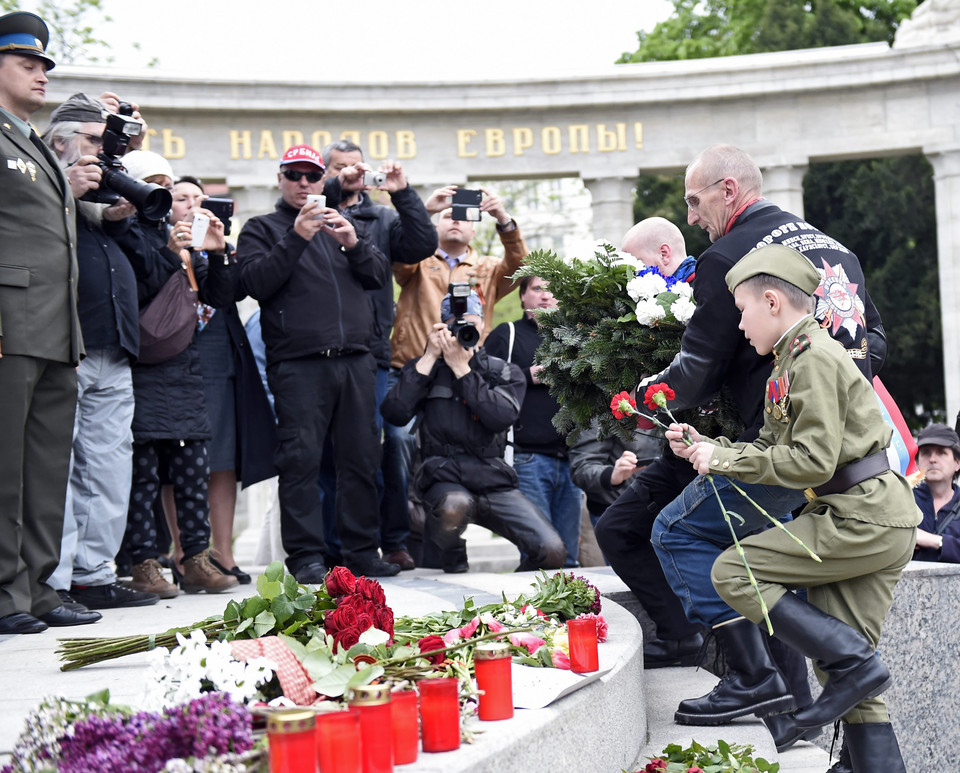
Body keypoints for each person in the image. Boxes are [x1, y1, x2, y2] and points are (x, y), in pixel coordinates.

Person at [647, 145, 887, 732]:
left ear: (729, 191)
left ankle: (754, 680)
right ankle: (791, 712)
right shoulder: (835, 249)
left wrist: (648, 393)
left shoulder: (729, 255)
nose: (691, 216)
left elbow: (698, 367)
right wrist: (835, 392)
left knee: (676, 532)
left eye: (694, 200)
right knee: (774, 581)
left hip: (790, 458)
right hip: (853, 468)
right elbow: (875, 339)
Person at [666, 243, 918, 772]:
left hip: (862, 516)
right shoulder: (793, 358)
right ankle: (853, 682)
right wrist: (712, 451)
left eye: (742, 310)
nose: (738, 326)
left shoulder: (814, 359)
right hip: (862, 513)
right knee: (856, 688)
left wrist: (725, 459)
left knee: (734, 569)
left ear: (774, 301)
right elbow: (772, 447)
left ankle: (850, 661)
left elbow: (808, 460)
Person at [236, 144, 398, 581]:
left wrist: (353, 242)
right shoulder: (261, 228)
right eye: (295, 175)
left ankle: (362, 551)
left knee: (362, 460)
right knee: (300, 462)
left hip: (357, 361)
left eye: (311, 175)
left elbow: (379, 276)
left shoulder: (340, 225)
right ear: (281, 179)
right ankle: (306, 555)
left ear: (321, 179)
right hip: (299, 364)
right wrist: (298, 235)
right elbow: (254, 282)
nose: (304, 183)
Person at [0, 12, 100, 634]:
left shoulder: (33, 142)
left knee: (44, 466)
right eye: (26, 64)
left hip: (56, 327)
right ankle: (4, 591)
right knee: (5, 465)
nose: (41, 75)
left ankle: (37, 585)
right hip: (10, 322)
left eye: (44, 65)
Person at [42, 92, 159, 610]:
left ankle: (94, 574)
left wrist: (118, 219)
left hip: (114, 347)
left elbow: (153, 274)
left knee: (110, 465)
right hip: (66, 342)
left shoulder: (104, 200)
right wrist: (64, 194)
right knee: (61, 466)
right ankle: (55, 581)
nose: (102, 154)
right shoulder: (43, 183)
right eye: (91, 140)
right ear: (59, 144)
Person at [114, 150, 239, 598]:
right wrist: (171, 255)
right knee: (144, 472)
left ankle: (197, 561)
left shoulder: (181, 237)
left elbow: (221, 297)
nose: (162, 193)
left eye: (167, 184)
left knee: (191, 468)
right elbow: (139, 290)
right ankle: (144, 562)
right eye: (154, 183)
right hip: (144, 366)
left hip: (185, 368)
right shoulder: (124, 232)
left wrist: (220, 254)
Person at [380, 288, 565, 574]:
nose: (463, 330)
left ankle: (517, 598)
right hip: (442, 477)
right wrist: (430, 357)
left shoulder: (504, 371)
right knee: (454, 504)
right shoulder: (424, 369)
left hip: (493, 480)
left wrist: (462, 370)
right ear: (442, 328)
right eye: (455, 323)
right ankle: (451, 554)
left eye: (470, 322)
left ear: (482, 325)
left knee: (552, 551)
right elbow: (394, 412)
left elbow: (500, 417)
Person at [316, 140, 437, 570]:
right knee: (325, 456)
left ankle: (381, 542)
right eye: (338, 168)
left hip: (369, 352)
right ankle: (330, 549)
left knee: (372, 451)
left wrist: (403, 193)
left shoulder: (382, 217)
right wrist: (332, 192)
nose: (350, 174)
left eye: (356, 167)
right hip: (319, 349)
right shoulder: (310, 215)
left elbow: (423, 243)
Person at [591, 217, 703, 667]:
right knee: (617, 529)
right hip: (675, 451)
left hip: (715, 452)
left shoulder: (706, 292)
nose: (633, 279)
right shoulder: (647, 305)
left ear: (662, 256)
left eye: (637, 265)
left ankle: (695, 639)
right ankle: (678, 633)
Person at [161, 176, 276, 585]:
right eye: (181, 198)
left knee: (222, 459)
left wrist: (221, 250)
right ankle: (181, 553)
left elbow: (229, 296)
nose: (192, 205)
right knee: (175, 460)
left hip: (218, 356)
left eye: (199, 198)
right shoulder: (157, 244)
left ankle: (222, 553)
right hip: (170, 358)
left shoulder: (220, 248)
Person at [485, 275, 583, 567]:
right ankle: (534, 613)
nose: (545, 295)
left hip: (572, 457)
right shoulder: (507, 334)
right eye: (537, 289)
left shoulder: (574, 338)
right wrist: (526, 375)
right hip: (527, 457)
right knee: (539, 554)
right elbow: (482, 381)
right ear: (523, 297)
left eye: (552, 290)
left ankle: (578, 614)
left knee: (569, 558)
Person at [912, 424, 960, 563]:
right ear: (917, 462)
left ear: (957, 463)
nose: (932, 459)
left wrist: (936, 541)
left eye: (941, 452)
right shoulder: (902, 501)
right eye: (926, 452)